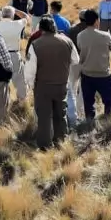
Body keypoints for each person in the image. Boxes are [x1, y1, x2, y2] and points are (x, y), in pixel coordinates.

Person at [29, 16, 78, 148]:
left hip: (43, 86)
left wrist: (31, 85)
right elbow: (76, 60)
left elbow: (30, 70)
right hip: (62, 84)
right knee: (60, 114)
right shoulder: (67, 41)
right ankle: (60, 142)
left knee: (44, 116)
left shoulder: (36, 44)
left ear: (41, 29)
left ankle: (45, 146)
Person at [77, 9, 111, 118]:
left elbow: (80, 47)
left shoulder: (80, 35)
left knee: (88, 102)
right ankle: (108, 122)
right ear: (97, 21)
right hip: (103, 74)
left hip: (86, 74)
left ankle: (89, 123)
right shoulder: (105, 35)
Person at [0, 6, 28, 101]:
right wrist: (15, 9)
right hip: (14, 54)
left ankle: (2, 100)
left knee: (1, 80)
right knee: (19, 80)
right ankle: (22, 100)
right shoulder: (17, 24)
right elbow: (26, 16)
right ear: (13, 15)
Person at [67, 9, 88, 122]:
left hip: (73, 62)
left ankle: (72, 114)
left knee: (72, 88)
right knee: (84, 89)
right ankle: (82, 113)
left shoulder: (72, 29)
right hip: (86, 62)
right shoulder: (91, 30)